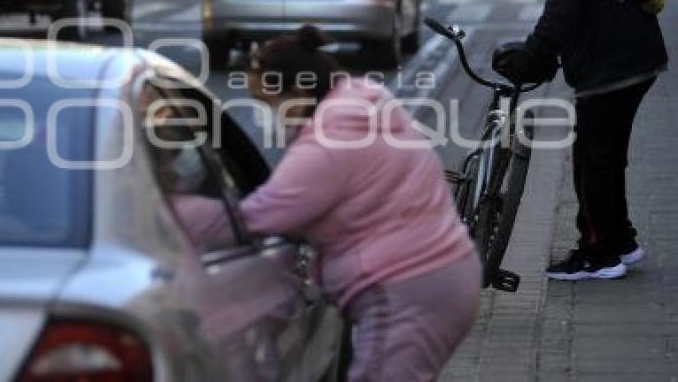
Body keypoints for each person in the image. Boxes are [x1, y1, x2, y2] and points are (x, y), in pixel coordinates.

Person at [176, 25, 481, 382]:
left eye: (266, 102)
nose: (264, 115)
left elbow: (256, 218)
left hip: (403, 291)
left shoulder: (330, 142)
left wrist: (163, 210)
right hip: (437, 279)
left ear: (300, 90)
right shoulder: (361, 100)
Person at [498, 0, 668, 281]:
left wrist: (533, 55)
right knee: (606, 157)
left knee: (592, 160)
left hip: (611, 61)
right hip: (630, 54)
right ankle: (622, 242)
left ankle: (599, 253)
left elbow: (564, 3)